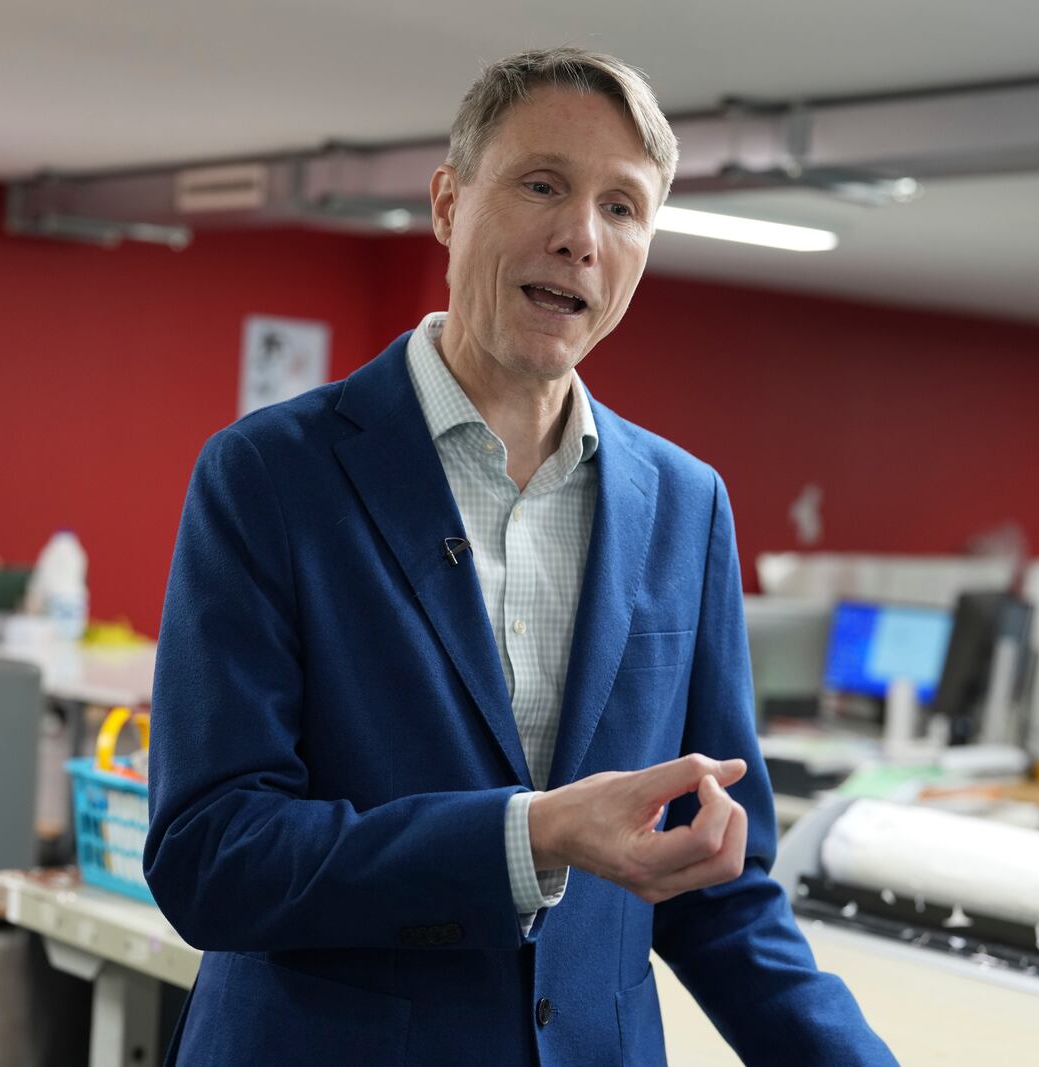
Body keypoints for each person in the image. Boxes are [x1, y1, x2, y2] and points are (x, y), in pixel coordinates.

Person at [144, 46, 897, 1066]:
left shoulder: (686, 503)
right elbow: (213, 857)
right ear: (449, 204)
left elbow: (719, 894)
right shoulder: (271, 474)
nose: (580, 237)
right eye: (542, 184)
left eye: (622, 207)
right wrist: (530, 834)